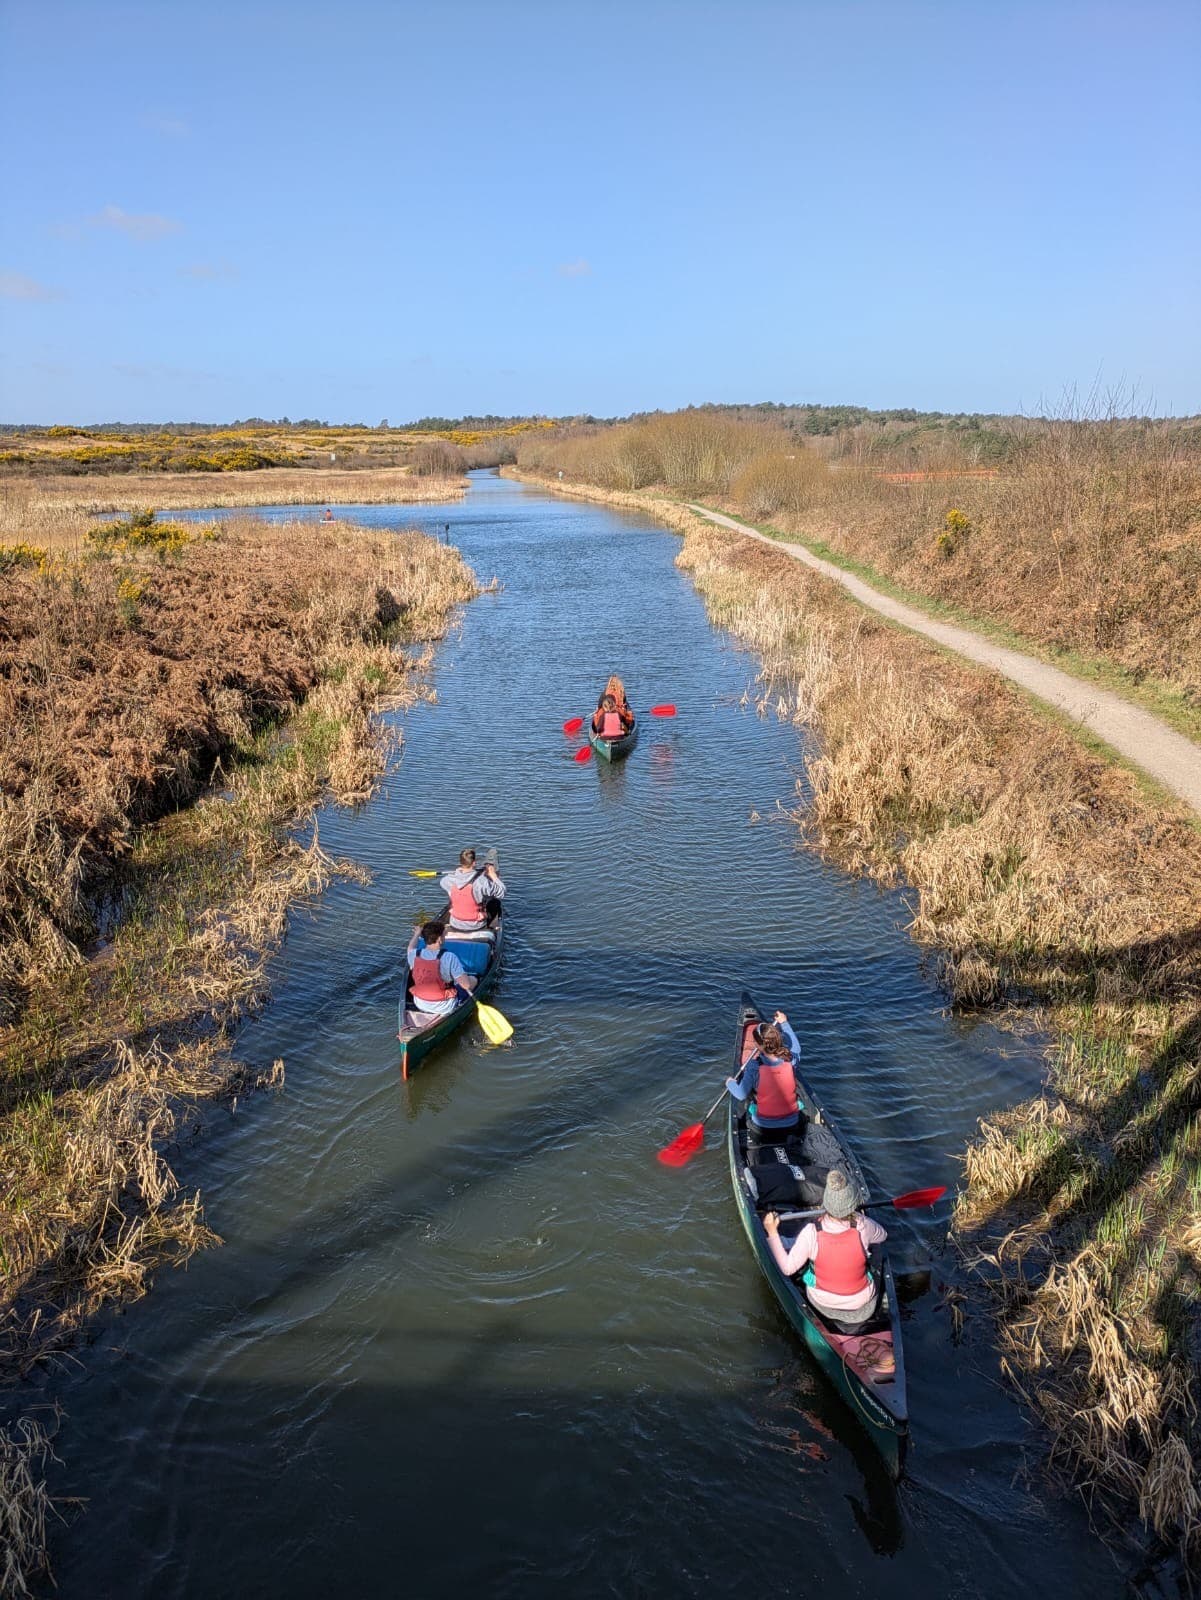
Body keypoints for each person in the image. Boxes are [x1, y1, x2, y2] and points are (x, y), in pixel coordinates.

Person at [763, 1170, 890, 1348]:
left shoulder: (811, 1232)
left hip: (822, 1305)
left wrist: (772, 1232)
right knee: (874, 1250)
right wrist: (859, 1219)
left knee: (805, 1264)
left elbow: (787, 1268)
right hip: (862, 1308)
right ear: (852, 1203)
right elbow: (883, 1235)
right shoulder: (863, 1225)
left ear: (827, 1203)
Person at [726, 1011, 803, 1145]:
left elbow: (740, 1094)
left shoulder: (754, 1066)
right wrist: (784, 1023)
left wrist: (730, 1083)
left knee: (748, 1101)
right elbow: (796, 1047)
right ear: (778, 1039)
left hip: (763, 1129)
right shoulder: (791, 1059)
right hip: (792, 1125)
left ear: (757, 1045)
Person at [404, 921, 475, 1018]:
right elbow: (466, 986)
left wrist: (416, 934)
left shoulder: (414, 955)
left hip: (420, 1003)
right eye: (443, 935)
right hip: (444, 1006)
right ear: (439, 940)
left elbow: (410, 947)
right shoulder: (449, 957)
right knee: (473, 980)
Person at [440, 848, 505, 931]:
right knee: (495, 902)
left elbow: (442, 882)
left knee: (453, 898)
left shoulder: (448, 879)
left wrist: (456, 873)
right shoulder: (481, 881)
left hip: (455, 923)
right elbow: (502, 892)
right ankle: (492, 928)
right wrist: (493, 876)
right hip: (476, 925)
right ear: (474, 863)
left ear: (460, 863)